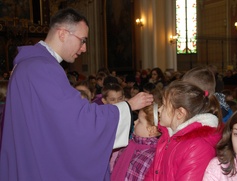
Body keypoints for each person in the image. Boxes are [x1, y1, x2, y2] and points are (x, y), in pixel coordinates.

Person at [0, 8, 153, 181]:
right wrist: (128, 106)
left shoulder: (30, 65)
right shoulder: (42, 68)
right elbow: (78, 121)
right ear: (63, 33)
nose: (84, 48)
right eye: (82, 40)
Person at [145, 81, 223, 180]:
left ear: (180, 113)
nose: (159, 110)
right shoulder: (167, 136)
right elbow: (153, 173)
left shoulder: (198, 147)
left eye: (164, 105)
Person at [111, 89, 162, 181]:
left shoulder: (151, 157)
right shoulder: (128, 144)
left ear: (152, 130)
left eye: (140, 121)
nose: (135, 122)